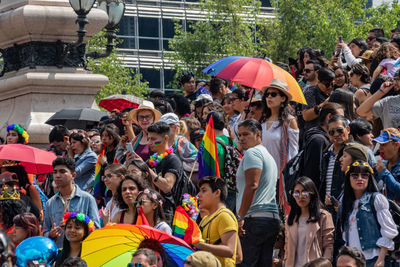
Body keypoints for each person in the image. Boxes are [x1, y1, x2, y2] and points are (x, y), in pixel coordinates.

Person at [236, 119, 280, 267]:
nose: (241, 138)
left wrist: (241, 216)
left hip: (254, 219)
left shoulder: (252, 153)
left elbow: (252, 185)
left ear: (258, 134)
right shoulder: (267, 155)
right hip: (270, 220)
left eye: (246, 134)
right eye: (239, 135)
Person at [132, 121, 194, 224]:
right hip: (151, 212)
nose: (150, 142)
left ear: (165, 138)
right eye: (148, 139)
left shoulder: (173, 160)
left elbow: (167, 186)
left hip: (166, 213)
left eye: (153, 139)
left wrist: (145, 168)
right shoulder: (151, 161)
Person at [339, 160, 398, 267]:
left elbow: (389, 230)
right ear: (349, 178)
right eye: (355, 175)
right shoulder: (345, 204)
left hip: (374, 259)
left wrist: (381, 259)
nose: (360, 178)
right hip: (354, 262)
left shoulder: (376, 199)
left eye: (364, 175)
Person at [43, 157, 100, 248]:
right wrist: (50, 234)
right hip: (58, 253)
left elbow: (96, 229)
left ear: (73, 175)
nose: (57, 175)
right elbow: (45, 231)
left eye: (62, 172)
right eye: (55, 172)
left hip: (81, 253)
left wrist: (76, 228)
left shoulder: (87, 199)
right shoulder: (50, 203)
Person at [284, 177, 334, 267]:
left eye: (304, 192)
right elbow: (287, 247)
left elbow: (329, 246)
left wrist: (325, 264)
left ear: (312, 193)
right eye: (296, 193)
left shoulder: (323, 216)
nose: (300, 196)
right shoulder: (290, 219)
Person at [261, 79, 298, 190]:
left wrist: (288, 176)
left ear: (283, 98)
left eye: (273, 94)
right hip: (263, 175)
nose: (269, 97)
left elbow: (293, 152)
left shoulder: (290, 121)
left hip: (281, 178)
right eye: (267, 94)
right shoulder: (262, 120)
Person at [195, 177, 238, 267]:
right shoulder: (205, 219)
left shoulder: (224, 216)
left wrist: (200, 245)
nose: (199, 195)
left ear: (217, 193)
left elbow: (230, 251)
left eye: (204, 191)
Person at [303, 103, 345, 188]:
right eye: (340, 117)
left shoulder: (327, 139)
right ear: (329, 117)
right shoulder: (318, 140)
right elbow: (312, 173)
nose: (342, 121)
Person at [320, 115, 351, 217]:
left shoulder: (353, 152)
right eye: (332, 132)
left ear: (348, 129)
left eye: (340, 130)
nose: (336, 134)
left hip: (345, 207)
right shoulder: (326, 156)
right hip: (327, 208)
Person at [302, 67, 335, 133]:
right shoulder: (310, 92)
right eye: (327, 84)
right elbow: (306, 116)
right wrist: (324, 104)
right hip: (314, 131)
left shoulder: (332, 93)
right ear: (319, 81)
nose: (330, 87)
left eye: (332, 84)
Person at [374, 128, 400, 201]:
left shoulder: (382, 169)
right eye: (380, 145)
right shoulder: (382, 165)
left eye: (384, 144)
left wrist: (384, 173)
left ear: (397, 145)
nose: (380, 149)